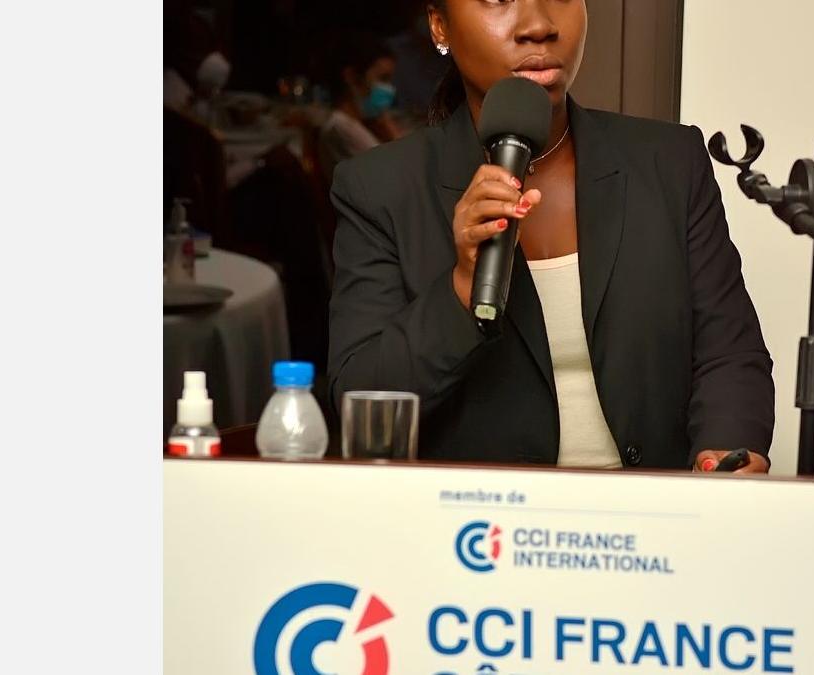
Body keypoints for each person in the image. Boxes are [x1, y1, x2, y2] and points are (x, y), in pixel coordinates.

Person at [327, 0, 775, 472]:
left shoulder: (671, 162)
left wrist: (725, 453)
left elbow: (729, 352)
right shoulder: (379, 190)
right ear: (440, 25)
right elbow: (361, 400)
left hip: (652, 509)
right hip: (479, 515)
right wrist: (461, 288)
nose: (539, 26)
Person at [317, 34, 405, 184]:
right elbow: (400, 177)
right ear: (351, 77)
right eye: (383, 78)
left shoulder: (359, 123)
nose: (389, 88)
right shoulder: (341, 130)